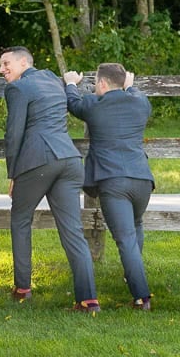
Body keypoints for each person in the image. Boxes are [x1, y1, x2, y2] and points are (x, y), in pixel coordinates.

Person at [0, 47, 99, 312]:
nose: (2, 69)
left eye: (6, 63)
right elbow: (68, 95)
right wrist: (71, 83)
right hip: (69, 159)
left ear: (23, 62)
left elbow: (14, 135)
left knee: (20, 220)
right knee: (73, 231)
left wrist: (13, 173)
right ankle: (88, 299)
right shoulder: (53, 81)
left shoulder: (17, 89)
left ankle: (22, 289)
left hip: (38, 161)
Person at [65, 63, 154, 310]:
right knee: (135, 227)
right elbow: (134, 92)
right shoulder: (140, 102)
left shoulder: (94, 105)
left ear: (102, 83)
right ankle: (133, 276)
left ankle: (141, 297)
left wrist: (71, 82)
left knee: (125, 239)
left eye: (95, 85)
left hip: (113, 181)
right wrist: (130, 86)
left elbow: (73, 103)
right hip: (142, 180)